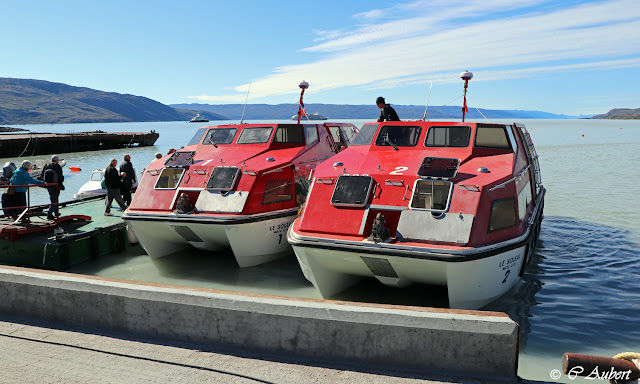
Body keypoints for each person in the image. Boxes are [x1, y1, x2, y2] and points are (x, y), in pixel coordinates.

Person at [41, 155, 65, 219]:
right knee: (55, 199)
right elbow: (60, 177)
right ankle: (50, 212)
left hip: (48, 185)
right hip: (56, 185)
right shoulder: (57, 166)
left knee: (53, 198)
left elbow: (42, 175)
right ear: (57, 160)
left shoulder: (46, 166)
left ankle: (56, 212)